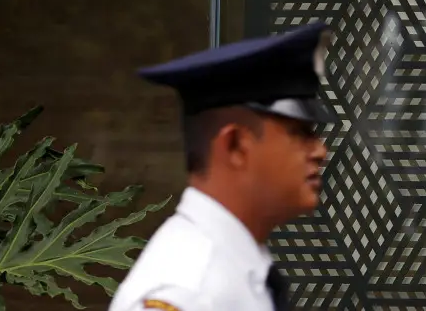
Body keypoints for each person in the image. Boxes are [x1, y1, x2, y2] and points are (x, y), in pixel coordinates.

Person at [109, 22, 336, 311]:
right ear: (236, 145)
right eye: (300, 132)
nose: (320, 150)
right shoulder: (186, 291)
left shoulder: (235, 267)